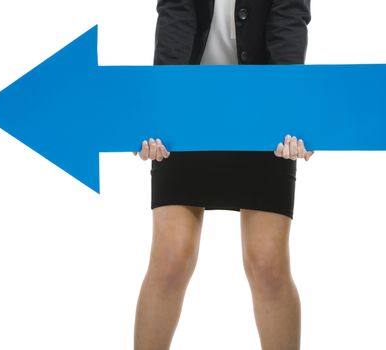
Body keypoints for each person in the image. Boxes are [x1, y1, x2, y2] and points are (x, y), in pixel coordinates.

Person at [132, 0, 313, 348]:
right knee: (171, 257)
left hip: (264, 111)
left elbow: (289, 22)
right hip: (187, 110)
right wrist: (161, 113)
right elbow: (175, 17)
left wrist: (293, 110)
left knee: (267, 264)